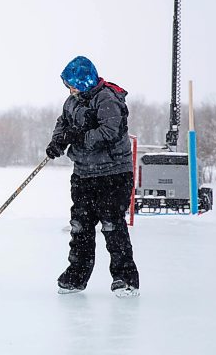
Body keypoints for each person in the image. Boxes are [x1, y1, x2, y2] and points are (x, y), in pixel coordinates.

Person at [46, 56, 139, 297]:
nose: (71, 89)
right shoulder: (71, 102)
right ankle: (76, 277)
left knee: (111, 223)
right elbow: (63, 123)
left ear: (86, 80)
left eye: (74, 83)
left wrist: (79, 137)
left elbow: (109, 131)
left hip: (113, 173)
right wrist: (58, 141)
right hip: (84, 174)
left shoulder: (107, 98)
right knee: (80, 225)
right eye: (68, 85)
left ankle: (125, 278)